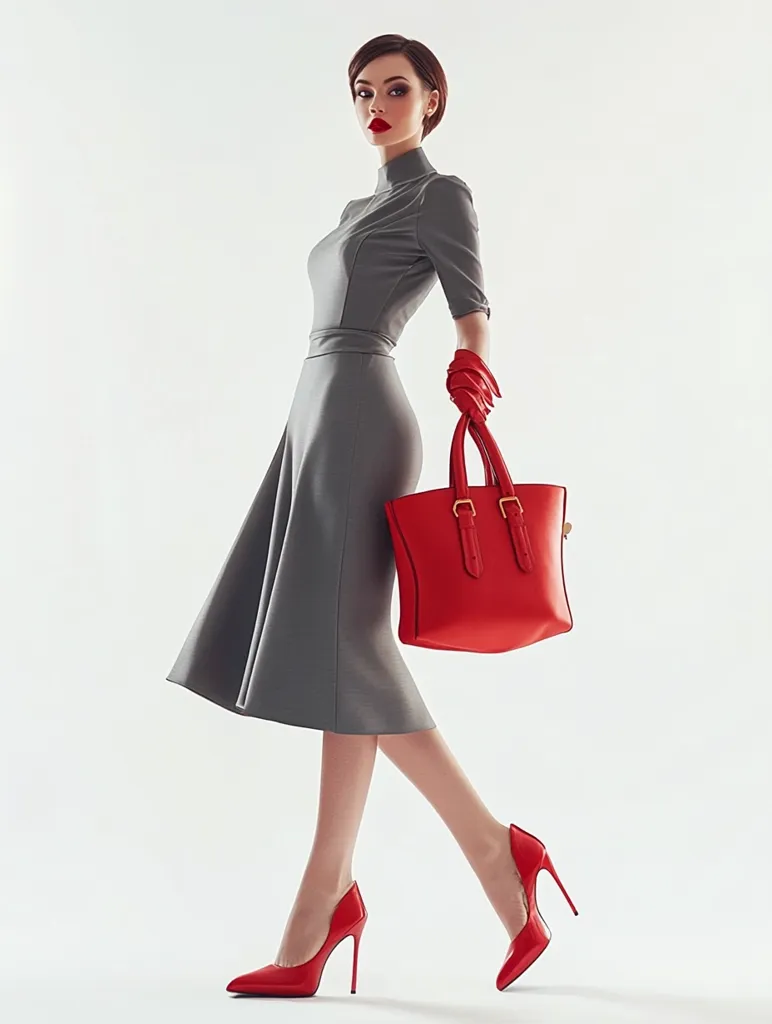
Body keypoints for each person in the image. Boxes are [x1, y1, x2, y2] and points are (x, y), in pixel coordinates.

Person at [166, 32, 578, 998]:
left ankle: (420, 875)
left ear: (433, 99)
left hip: (361, 414)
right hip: (315, 417)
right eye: (363, 92)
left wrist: (473, 359)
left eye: (396, 89)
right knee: (343, 657)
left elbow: (474, 304)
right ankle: (370, 889)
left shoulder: (441, 195)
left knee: (348, 652)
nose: (376, 105)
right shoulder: (360, 207)